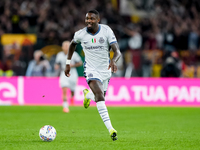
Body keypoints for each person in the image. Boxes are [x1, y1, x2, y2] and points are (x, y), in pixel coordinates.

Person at [64, 10, 121, 141]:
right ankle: (111, 129)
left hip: (106, 70)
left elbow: (117, 51)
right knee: (100, 96)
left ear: (98, 20)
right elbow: (72, 44)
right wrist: (68, 63)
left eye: (92, 19)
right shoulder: (80, 34)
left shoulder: (106, 31)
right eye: (87, 18)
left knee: (98, 97)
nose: (89, 21)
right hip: (90, 69)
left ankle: (87, 95)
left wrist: (113, 60)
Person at [54, 41, 82, 113]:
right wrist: (56, 66)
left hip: (73, 74)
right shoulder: (59, 55)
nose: (66, 47)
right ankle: (65, 106)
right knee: (64, 89)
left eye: (67, 45)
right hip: (64, 73)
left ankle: (72, 97)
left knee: (72, 90)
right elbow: (57, 63)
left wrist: (72, 65)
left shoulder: (74, 54)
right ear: (62, 47)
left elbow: (80, 63)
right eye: (65, 46)